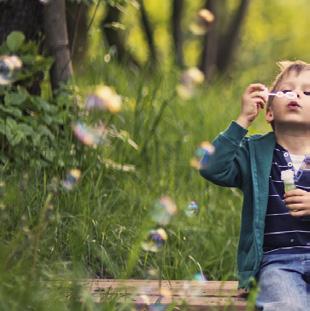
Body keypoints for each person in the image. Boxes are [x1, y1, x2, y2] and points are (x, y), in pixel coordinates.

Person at [199, 60, 310, 310]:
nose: (296, 94)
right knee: (288, 305)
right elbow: (212, 167)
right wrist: (242, 120)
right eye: (286, 90)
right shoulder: (254, 152)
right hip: (277, 264)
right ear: (269, 111)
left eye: (308, 92)